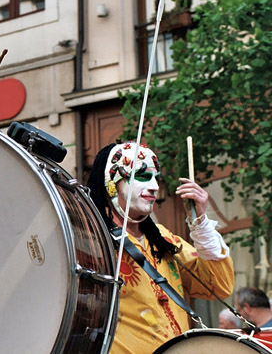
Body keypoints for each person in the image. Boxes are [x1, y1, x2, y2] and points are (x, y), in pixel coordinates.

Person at [87, 141, 234, 353]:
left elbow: (218, 285)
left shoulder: (162, 237)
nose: (155, 186)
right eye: (143, 175)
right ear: (112, 182)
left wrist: (200, 221)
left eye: (156, 177)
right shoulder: (91, 239)